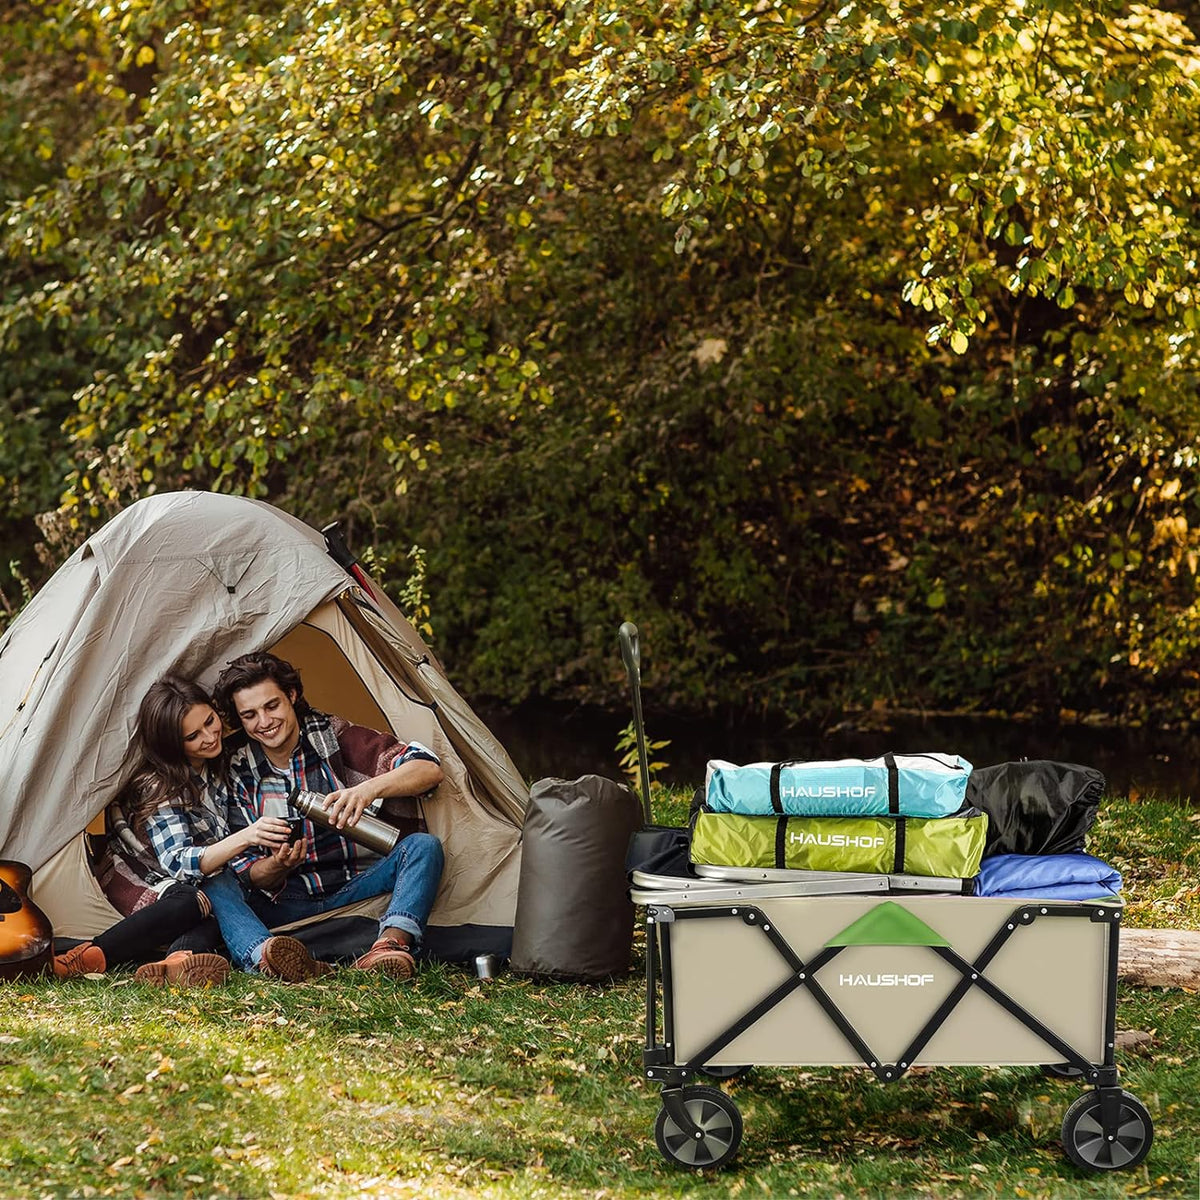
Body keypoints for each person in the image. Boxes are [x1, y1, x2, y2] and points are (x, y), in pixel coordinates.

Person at [205, 651, 445, 982]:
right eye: (249, 715)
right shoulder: (236, 767)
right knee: (214, 881)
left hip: (354, 886)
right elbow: (250, 876)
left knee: (423, 847)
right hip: (283, 901)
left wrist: (367, 790)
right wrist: (278, 866)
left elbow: (428, 769)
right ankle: (268, 957)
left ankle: (389, 947)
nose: (264, 722)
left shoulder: (333, 736)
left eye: (271, 706)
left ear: (291, 695)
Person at [134, 675, 335, 982]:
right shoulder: (161, 786)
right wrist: (248, 836)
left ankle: (179, 962)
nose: (210, 737)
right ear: (173, 744)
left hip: (234, 886)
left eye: (210, 721)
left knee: (225, 891)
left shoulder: (225, 760)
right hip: (180, 887)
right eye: (192, 736)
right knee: (214, 885)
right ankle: (263, 956)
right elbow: (179, 864)